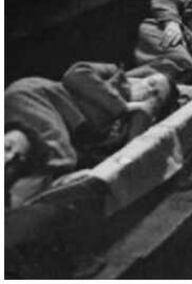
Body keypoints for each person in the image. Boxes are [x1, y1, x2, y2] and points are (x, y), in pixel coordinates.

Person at [5, 62, 176, 206]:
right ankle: (19, 205)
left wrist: (144, 113)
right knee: (62, 156)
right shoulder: (114, 73)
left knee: (26, 160)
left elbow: (129, 151)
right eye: (151, 82)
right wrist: (123, 105)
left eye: (156, 95)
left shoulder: (128, 123)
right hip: (37, 96)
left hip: (46, 122)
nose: (148, 90)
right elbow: (75, 73)